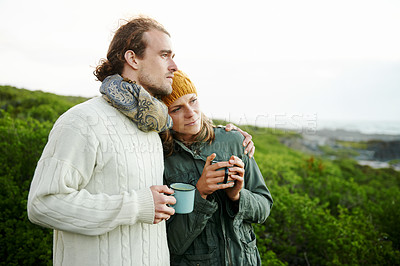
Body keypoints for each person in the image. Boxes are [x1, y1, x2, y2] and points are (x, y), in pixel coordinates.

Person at [27, 16, 179, 266]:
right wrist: (136, 205)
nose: (174, 66)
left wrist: (233, 137)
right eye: (165, 55)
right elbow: (43, 204)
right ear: (132, 59)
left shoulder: (152, 126)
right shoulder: (82, 121)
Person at [160, 70, 273, 265]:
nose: (190, 112)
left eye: (193, 100)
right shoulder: (161, 159)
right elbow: (173, 244)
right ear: (164, 117)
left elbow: (264, 208)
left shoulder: (234, 141)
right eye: (176, 109)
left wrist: (237, 196)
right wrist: (200, 193)